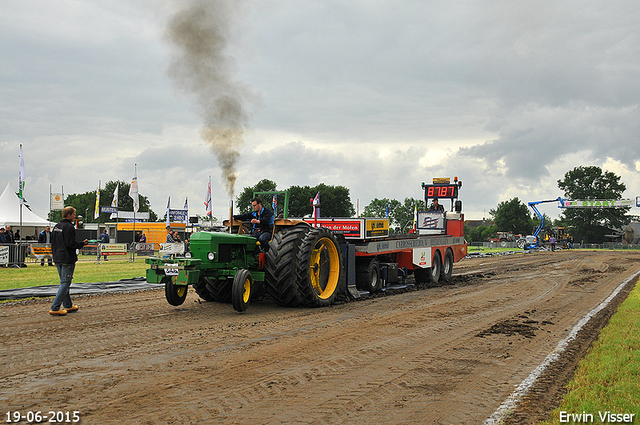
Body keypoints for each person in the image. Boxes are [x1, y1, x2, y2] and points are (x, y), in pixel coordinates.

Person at [49, 206, 88, 316]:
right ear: (69, 215)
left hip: (57, 257)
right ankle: (55, 307)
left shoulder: (56, 226)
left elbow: (53, 242)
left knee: (64, 283)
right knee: (65, 283)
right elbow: (70, 243)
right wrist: (81, 244)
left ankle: (68, 305)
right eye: (74, 214)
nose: (75, 216)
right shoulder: (69, 227)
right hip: (67, 258)